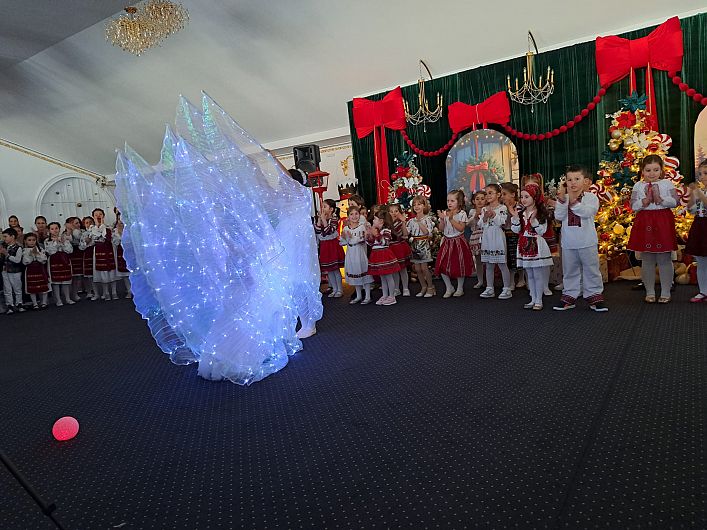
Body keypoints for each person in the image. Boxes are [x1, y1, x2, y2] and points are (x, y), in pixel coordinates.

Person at [553, 165, 608, 311]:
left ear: (585, 181)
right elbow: (559, 216)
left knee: (591, 270)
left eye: (577, 179)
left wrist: (573, 202)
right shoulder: (563, 199)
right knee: (570, 271)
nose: (573, 183)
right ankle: (570, 295)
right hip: (569, 242)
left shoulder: (591, 198)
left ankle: (594, 296)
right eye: (569, 179)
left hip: (587, 241)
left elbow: (586, 212)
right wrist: (563, 201)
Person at [627, 155, 678, 304]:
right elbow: (633, 205)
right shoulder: (638, 186)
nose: (652, 173)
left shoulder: (667, 183)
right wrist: (645, 201)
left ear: (661, 170)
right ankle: (650, 291)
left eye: (656, 170)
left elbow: (675, 201)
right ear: (642, 171)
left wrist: (661, 199)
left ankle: (666, 291)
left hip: (663, 221)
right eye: (648, 170)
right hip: (645, 221)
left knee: (664, 258)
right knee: (647, 258)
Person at [510, 184, 553, 310]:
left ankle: (539, 300)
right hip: (524, 244)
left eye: (526, 197)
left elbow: (542, 231)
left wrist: (534, 221)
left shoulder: (541, 213)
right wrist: (515, 219)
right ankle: (533, 298)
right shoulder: (521, 213)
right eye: (522, 197)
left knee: (538, 274)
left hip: (536, 245)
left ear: (534, 197)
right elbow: (516, 230)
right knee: (530, 274)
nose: (523, 199)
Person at [435, 189, 472, 298]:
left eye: (452, 201)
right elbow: (441, 229)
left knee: (459, 265)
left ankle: (460, 288)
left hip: (458, 242)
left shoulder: (462, 214)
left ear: (459, 202)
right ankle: (449, 287)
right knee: (441, 264)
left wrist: (451, 219)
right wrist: (442, 219)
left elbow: (461, 228)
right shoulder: (445, 213)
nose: (449, 203)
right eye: (448, 201)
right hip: (447, 242)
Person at [478, 184, 512, 299]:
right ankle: (489, 288)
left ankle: (507, 288)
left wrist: (493, 215)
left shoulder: (502, 208)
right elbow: (481, 224)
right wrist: (484, 217)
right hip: (487, 237)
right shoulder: (484, 209)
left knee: (502, 263)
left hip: (497, 236)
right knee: (488, 264)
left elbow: (502, 223)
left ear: (498, 194)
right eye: (486, 193)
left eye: (490, 193)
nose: (487, 195)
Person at [339, 206, 373, 304]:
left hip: (360, 253)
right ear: (348, 217)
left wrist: (351, 238)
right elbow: (342, 243)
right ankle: (358, 295)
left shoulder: (362, 227)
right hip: (351, 254)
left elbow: (362, 239)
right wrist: (344, 237)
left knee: (364, 272)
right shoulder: (346, 228)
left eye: (356, 214)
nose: (354, 216)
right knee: (355, 273)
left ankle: (367, 296)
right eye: (351, 214)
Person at [366, 209, 400, 305]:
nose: (373, 221)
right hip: (376, 255)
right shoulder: (376, 230)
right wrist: (368, 235)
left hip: (384, 255)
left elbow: (385, 242)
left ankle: (392, 296)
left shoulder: (386, 230)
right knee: (382, 277)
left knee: (388, 276)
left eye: (375, 219)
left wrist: (376, 234)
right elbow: (371, 243)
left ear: (381, 221)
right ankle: (385, 295)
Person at [685, 160, 707, 302]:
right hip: (700, 226)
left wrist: (698, 193)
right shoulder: (700, 191)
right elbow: (691, 209)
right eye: (700, 174)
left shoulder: (701, 192)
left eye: (705, 173)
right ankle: (703, 291)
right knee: (701, 261)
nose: (702, 176)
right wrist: (693, 196)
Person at [85, 208, 117, 301]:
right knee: (102, 272)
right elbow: (92, 241)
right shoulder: (92, 229)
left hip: (109, 250)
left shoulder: (108, 227)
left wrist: (103, 227)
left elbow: (108, 238)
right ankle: (106, 292)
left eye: (100, 214)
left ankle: (114, 292)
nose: (98, 216)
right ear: (93, 217)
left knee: (111, 271)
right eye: (96, 215)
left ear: (103, 216)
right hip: (98, 251)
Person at [314, 199, 345, 298]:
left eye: (325, 207)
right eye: (322, 207)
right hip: (324, 246)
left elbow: (329, 230)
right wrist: (319, 220)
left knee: (335, 269)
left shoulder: (334, 219)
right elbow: (317, 230)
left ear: (331, 209)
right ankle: (334, 289)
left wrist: (324, 220)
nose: (322, 209)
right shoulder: (322, 219)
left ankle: (340, 289)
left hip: (332, 246)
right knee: (329, 270)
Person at [407, 195, 435, 297]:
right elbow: (406, 233)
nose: (416, 206)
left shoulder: (427, 219)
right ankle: (423, 286)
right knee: (417, 268)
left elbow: (427, 233)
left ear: (424, 206)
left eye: (419, 204)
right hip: (415, 244)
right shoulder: (411, 221)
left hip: (423, 243)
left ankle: (430, 287)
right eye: (414, 205)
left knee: (424, 268)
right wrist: (403, 222)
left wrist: (419, 222)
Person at [45, 222, 75, 306]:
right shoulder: (47, 240)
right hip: (54, 262)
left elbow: (70, 250)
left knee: (65, 281)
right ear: (49, 230)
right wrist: (55, 243)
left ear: (59, 229)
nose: (54, 230)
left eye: (56, 228)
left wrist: (63, 242)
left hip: (64, 261)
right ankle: (58, 300)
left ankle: (67, 298)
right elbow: (50, 251)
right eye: (52, 229)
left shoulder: (64, 238)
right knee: (56, 282)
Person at [501, 183, 522, 289]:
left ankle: (522, 279)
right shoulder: (502, 208)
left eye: (504, 194)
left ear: (513, 194)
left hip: (517, 235)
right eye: (501, 194)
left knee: (518, 256)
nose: (502, 197)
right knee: (509, 258)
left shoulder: (519, 207)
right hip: (506, 235)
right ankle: (512, 280)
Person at [388, 203, 412, 296]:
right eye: (391, 211)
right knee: (394, 270)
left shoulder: (400, 222)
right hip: (391, 248)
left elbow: (405, 234)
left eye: (396, 211)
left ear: (400, 212)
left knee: (403, 269)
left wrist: (403, 222)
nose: (394, 213)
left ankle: (405, 288)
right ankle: (396, 288)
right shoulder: (387, 224)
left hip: (400, 247)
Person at [22, 233, 50, 310]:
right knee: (32, 287)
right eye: (29, 240)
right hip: (30, 270)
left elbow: (43, 260)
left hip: (40, 269)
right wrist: (31, 255)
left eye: (33, 240)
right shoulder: (24, 250)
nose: (32, 242)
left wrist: (37, 254)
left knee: (43, 286)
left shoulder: (40, 249)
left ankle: (44, 302)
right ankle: (35, 304)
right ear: (25, 241)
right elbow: (25, 262)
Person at [1, 227, 25, 313]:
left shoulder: (18, 248)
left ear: (12, 236)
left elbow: (17, 260)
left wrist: (7, 255)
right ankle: (9, 305)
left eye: (5, 236)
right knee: (7, 289)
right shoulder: (4, 247)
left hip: (15, 271)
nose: (4, 239)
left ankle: (19, 304)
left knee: (17, 288)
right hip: (5, 271)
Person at [468, 190, 486, 289]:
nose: (479, 201)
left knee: (488, 259)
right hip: (475, 235)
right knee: (478, 260)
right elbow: (468, 224)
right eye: (477, 199)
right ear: (473, 201)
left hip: (485, 235)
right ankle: (480, 280)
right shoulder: (472, 211)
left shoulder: (487, 209)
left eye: (482, 199)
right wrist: (474, 216)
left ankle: (489, 280)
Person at [112, 211, 133, 298]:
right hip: (121, 251)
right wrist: (120, 233)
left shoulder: (131, 228)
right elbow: (116, 242)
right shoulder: (115, 230)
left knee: (132, 271)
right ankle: (129, 290)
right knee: (125, 273)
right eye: (119, 219)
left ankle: (135, 289)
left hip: (131, 251)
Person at [65, 217, 84, 301]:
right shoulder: (65, 233)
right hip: (71, 254)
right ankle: (70, 294)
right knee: (72, 276)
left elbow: (80, 237)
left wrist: (74, 229)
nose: (78, 224)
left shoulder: (81, 232)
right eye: (76, 223)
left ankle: (76, 292)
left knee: (78, 275)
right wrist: (70, 230)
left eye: (79, 222)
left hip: (79, 253)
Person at [79, 216, 96, 299]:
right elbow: (81, 247)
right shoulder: (83, 234)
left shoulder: (97, 231)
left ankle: (99, 292)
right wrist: (86, 242)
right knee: (89, 275)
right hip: (87, 254)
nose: (89, 224)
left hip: (95, 253)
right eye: (86, 223)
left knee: (97, 273)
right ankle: (90, 291)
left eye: (90, 222)